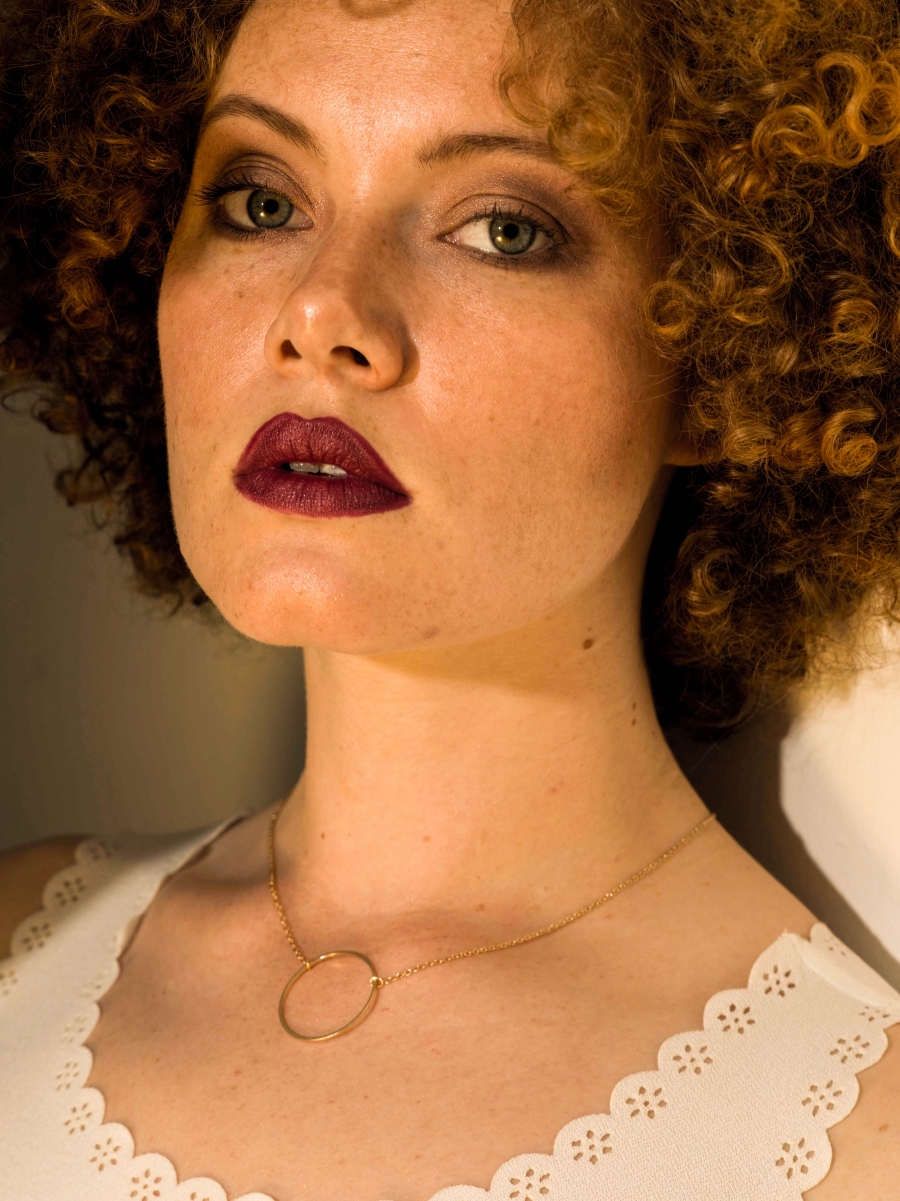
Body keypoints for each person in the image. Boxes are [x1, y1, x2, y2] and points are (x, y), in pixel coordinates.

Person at [2, 0, 900, 1197]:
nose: (321, 312)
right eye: (261, 202)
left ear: (724, 354)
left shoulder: (859, 1143)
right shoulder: (15, 941)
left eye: (503, 230)